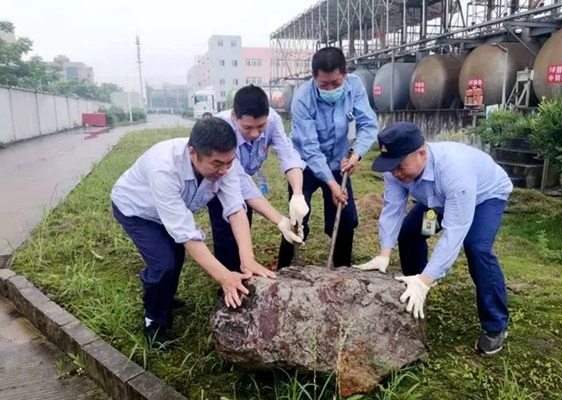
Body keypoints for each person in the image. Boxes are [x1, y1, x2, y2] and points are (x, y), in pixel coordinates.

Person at [111, 117, 276, 347]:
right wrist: (224, 277)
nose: (224, 170)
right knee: (164, 263)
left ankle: (164, 296)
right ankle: (154, 320)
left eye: (229, 162)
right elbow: (187, 234)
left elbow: (236, 208)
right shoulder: (164, 167)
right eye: (216, 164)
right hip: (137, 210)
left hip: (170, 211)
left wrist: (247, 259)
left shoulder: (225, 163)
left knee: (175, 256)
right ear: (192, 153)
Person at [353, 122, 513, 355]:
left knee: (477, 247)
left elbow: (454, 231)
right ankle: (417, 285)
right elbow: (392, 209)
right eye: (390, 166)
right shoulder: (395, 172)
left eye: (399, 165)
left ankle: (496, 326)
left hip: (483, 198)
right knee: (410, 233)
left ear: (421, 154)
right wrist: (384, 254)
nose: (395, 173)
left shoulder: (454, 170)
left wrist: (427, 279)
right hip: (437, 202)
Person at [277, 46, 379, 269]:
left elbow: (368, 124)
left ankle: (342, 272)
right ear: (314, 77)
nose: (330, 89)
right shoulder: (302, 98)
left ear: (345, 73)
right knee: (298, 217)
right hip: (304, 164)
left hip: (337, 162)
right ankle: (283, 270)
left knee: (345, 220)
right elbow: (310, 148)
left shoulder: (355, 86)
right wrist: (332, 184)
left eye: (336, 83)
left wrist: (356, 154)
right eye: (324, 85)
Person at [209, 84, 308, 271]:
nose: (255, 134)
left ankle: (243, 263)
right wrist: (280, 220)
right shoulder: (221, 128)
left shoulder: (273, 120)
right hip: (218, 180)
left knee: (243, 222)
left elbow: (288, 155)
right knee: (225, 230)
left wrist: (297, 193)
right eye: (247, 128)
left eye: (261, 126)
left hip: (244, 175)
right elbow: (241, 182)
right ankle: (229, 277)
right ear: (234, 116)